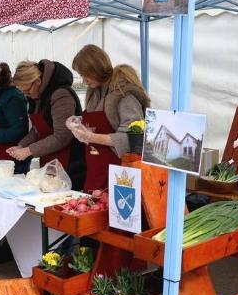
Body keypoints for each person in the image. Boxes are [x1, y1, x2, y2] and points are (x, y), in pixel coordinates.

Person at [70, 44, 150, 191]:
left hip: (120, 175)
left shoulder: (123, 94)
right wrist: (77, 123)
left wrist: (91, 137)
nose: (83, 81)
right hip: (96, 173)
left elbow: (133, 137)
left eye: (85, 75)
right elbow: (94, 122)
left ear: (96, 69)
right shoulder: (95, 92)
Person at [8, 60, 86, 189]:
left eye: (27, 91)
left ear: (37, 82)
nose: (26, 95)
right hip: (49, 161)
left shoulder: (61, 95)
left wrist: (29, 151)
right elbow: (37, 129)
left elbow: (62, 136)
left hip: (68, 164)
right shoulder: (37, 96)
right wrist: (21, 145)